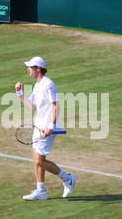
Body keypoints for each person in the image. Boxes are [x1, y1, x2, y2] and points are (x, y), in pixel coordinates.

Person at [15, 57, 77, 200]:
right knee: (36, 159)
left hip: (47, 127)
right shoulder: (38, 85)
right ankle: (41, 191)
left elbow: (56, 105)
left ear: (38, 68)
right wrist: (20, 93)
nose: (28, 68)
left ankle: (68, 179)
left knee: (40, 161)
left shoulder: (49, 84)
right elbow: (31, 106)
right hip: (39, 126)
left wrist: (51, 126)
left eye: (30, 66)